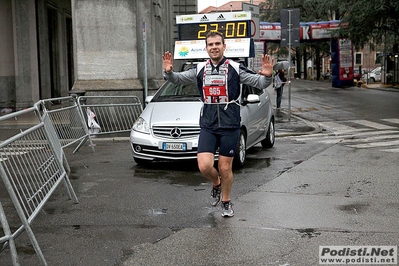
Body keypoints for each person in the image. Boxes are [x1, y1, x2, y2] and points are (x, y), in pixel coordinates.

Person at [162, 31, 274, 217]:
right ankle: (216, 183)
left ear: (224, 46)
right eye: (210, 44)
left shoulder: (236, 68)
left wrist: (268, 76)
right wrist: (168, 72)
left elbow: (259, 82)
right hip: (208, 124)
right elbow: (177, 79)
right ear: (206, 48)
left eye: (217, 44)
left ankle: (227, 201)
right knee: (205, 166)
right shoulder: (199, 69)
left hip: (230, 124)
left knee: (225, 167)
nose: (214, 47)